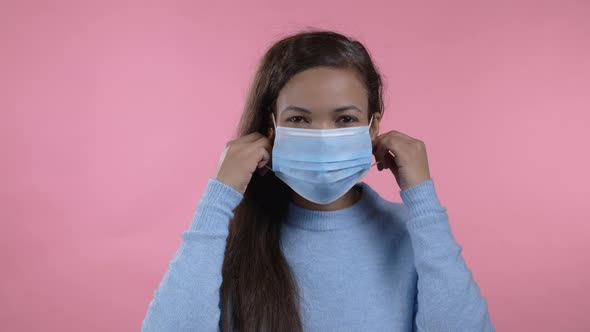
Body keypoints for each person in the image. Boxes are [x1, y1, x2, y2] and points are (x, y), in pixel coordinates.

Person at [141, 29, 495, 332]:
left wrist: (423, 200)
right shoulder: (226, 237)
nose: (324, 136)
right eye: (299, 119)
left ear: (373, 125)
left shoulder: (412, 234)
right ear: (272, 126)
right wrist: (218, 198)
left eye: (344, 120)